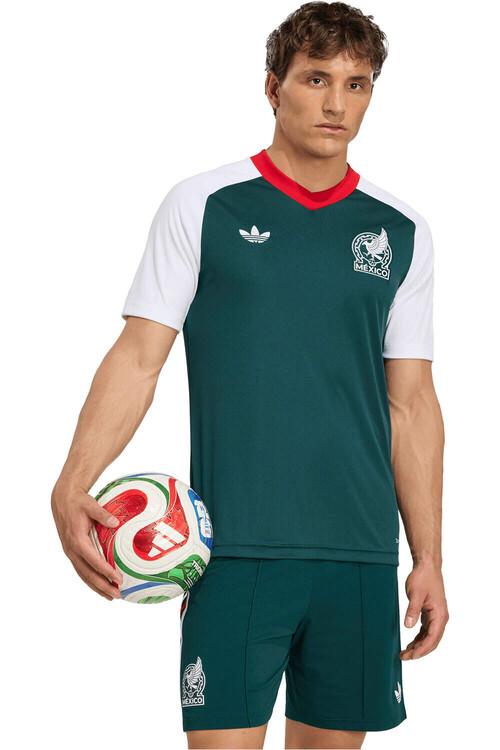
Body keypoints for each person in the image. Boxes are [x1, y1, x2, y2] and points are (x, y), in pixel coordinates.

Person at [51, 2, 449, 748]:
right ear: (273, 87)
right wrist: (72, 481)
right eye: (316, 78)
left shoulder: (402, 231)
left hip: (358, 555)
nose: (336, 104)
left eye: (357, 84)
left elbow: (413, 405)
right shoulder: (204, 204)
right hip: (230, 551)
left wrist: (427, 556)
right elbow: (138, 358)